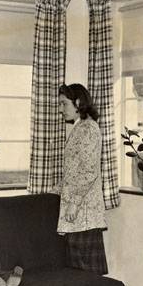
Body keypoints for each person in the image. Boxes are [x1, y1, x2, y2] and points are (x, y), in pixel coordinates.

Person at [53, 83, 108, 274]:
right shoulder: (79, 128)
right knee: (76, 273)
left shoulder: (89, 129)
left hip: (84, 214)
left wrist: (74, 203)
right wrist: (55, 191)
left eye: (64, 104)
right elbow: (72, 172)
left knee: (87, 275)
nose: (61, 109)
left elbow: (89, 171)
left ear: (78, 103)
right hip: (75, 214)